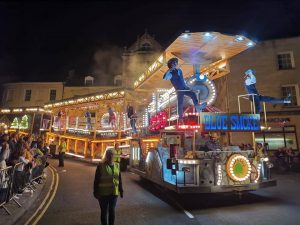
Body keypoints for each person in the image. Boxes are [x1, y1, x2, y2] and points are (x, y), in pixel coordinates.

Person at [163, 57, 207, 124]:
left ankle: (197, 106)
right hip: (179, 90)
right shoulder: (170, 74)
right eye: (175, 63)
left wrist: (187, 87)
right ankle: (181, 118)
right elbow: (164, 78)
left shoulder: (180, 70)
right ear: (172, 65)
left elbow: (182, 80)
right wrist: (169, 70)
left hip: (184, 88)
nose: (177, 64)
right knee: (180, 104)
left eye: (176, 63)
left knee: (193, 94)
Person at [94, 149, 123, 225]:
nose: (111, 156)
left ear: (114, 156)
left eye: (112, 154)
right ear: (106, 156)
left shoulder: (117, 165)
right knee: (104, 212)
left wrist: (121, 189)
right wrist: (95, 191)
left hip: (114, 193)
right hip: (103, 194)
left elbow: (119, 178)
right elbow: (96, 180)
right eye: (109, 154)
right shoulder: (100, 166)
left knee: (112, 211)